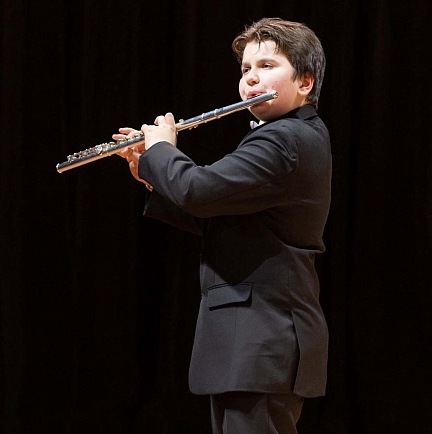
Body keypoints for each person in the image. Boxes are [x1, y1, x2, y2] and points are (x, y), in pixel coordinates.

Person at [113, 17, 330, 434]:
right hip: (255, 344)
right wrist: (151, 173)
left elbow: (197, 190)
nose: (251, 79)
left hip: (262, 339)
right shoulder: (289, 136)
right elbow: (220, 214)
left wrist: (162, 149)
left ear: (305, 82)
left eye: (267, 66)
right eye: (246, 69)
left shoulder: (283, 139)